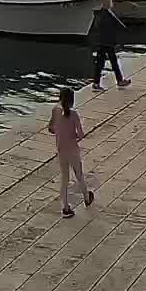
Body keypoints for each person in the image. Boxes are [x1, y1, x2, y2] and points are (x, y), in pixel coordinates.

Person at [48, 87, 92, 218]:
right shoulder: (74, 114)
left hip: (61, 150)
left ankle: (65, 207)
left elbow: (50, 128)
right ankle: (87, 198)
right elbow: (81, 134)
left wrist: (59, 132)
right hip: (73, 150)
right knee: (79, 175)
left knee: (64, 179)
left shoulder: (55, 111)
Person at [88, 0, 130, 91]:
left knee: (102, 62)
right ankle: (118, 81)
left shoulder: (101, 13)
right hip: (106, 42)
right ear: (108, 1)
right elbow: (114, 26)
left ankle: (97, 83)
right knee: (110, 62)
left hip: (102, 41)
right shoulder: (106, 14)